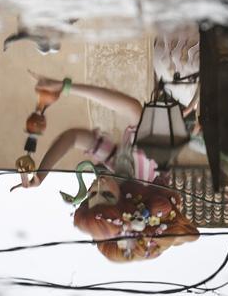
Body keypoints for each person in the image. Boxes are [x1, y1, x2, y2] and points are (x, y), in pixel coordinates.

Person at [11, 74, 199, 261]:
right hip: (176, 96)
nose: (99, 185)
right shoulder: (142, 174)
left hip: (169, 102)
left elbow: (75, 137)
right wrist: (66, 87)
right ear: (123, 202)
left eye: (92, 194)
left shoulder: (121, 175)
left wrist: (41, 175)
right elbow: (134, 110)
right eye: (107, 195)